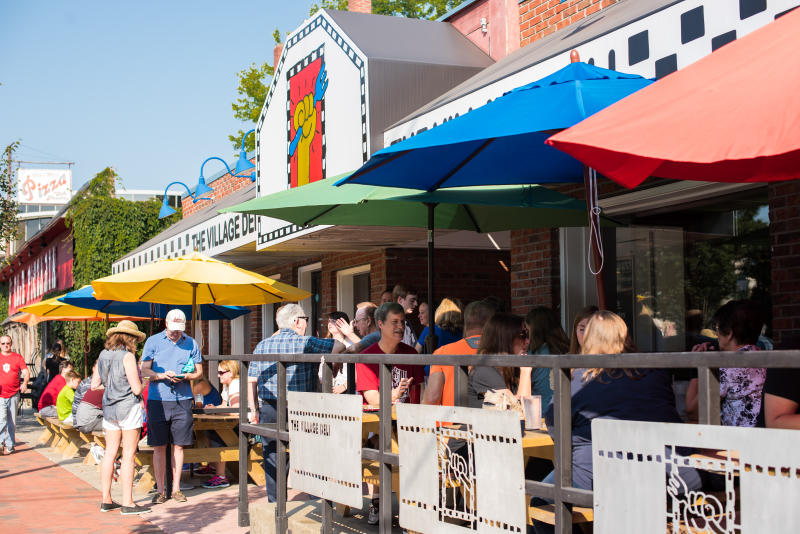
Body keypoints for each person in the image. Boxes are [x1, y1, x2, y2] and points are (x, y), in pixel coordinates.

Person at [532, 311, 700, 534]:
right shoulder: (655, 371)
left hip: (599, 476)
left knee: (540, 501)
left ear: (589, 339)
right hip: (666, 473)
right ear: (625, 336)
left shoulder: (576, 380)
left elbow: (555, 426)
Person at [247, 303, 345, 502]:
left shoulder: (262, 345)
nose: (306, 324)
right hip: (303, 407)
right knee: (311, 452)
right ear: (296, 321)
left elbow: (251, 380)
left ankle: (275, 503)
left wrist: (253, 409)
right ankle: (316, 500)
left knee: (273, 454)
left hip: (270, 407)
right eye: (305, 319)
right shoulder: (307, 342)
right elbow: (340, 347)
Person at [140, 308, 203, 504]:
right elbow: (144, 369)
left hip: (182, 398)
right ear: (166, 324)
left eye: (179, 329)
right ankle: (160, 490)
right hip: (158, 399)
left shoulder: (191, 343)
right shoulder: (153, 341)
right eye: (173, 328)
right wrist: (160, 375)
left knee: (179, 446)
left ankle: (176, 489)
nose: (176, 332)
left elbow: (199, 371)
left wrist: (186, 376)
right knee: (159, 446)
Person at [93, 320, 150, 515]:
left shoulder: (102, 355)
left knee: (109, 453)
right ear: (130, 338)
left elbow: (96, 384)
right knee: (128, 455)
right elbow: (135, 388)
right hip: (128, 408)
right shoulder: (128, 357)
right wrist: (147, 381)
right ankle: (128, 502)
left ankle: (106, 499)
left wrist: (112, 388)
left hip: (109, 408)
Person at [685, 300, 765, 427]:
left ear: (729, 334)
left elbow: (693, 411)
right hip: (765, 435)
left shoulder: (729, 367)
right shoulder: (765, 358)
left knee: (693, 423)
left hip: (739, 442)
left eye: (716, 328)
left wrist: (698, 363)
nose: (716, 335)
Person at [422, 299, 497, 406]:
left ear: (465, 323)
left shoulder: (442, 353)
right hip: (493, 420)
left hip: (452, 420)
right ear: (492, 324)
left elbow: (432, 399)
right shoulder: (503, 352)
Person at [356, 302, 425, 406]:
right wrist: (395, 394)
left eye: (402, 322)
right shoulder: (366, 357)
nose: (401, 326)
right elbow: (373, 400)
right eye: (395, 322)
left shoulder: (411, 353)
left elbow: (422, 391)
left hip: (407, 418)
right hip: (377, 419)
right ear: (380, 324)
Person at [467, 313, 531, 409]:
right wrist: (526, 371)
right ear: (505, 338)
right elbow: (520, 411)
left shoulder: (512, 368)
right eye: (523, 335)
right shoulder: (485, 370)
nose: (527, 341)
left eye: (527, 334)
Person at [202, 359, 241, 489]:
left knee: (216, 434)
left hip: (243, 425)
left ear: (231, 372)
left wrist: (217, 412)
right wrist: (214, 407)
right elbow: (224, 405)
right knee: (208, 431)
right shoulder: (227, 386)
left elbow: (236, 411)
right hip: (234, 424)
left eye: (221, 372)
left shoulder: (235, 384)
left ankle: (221, 476)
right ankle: (213, 466)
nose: (219, 375)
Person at [526, 307, 570, 408]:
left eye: (528, 331)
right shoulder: (568, 349)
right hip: (566, 411)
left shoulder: (534, 355)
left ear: (534, 331)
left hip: (541, 413)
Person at [0, 334, 29, 454]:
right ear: (0, 345)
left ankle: (10, 445)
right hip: (1, 394)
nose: (6, 345)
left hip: (14, 393)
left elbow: (26, 372)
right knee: (2, 419)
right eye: (3, 343)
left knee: (12, 421)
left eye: (8, 343)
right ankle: (1, 443)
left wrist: (25, 383)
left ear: (11, 344)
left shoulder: (17, 357)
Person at [319, 311, 351, 393]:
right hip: (323, 387)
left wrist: (344, 387)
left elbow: (358, 371)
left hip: (345, 389)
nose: (330, 324)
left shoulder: (351, 344)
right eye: (329, 321)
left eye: (333, 321)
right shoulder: (322, 343)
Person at [392, 284, 420, 348]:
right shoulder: (388, 324)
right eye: (412, 300)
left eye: (416, 300)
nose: (416, 304)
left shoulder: (408, 324)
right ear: (400, 300)